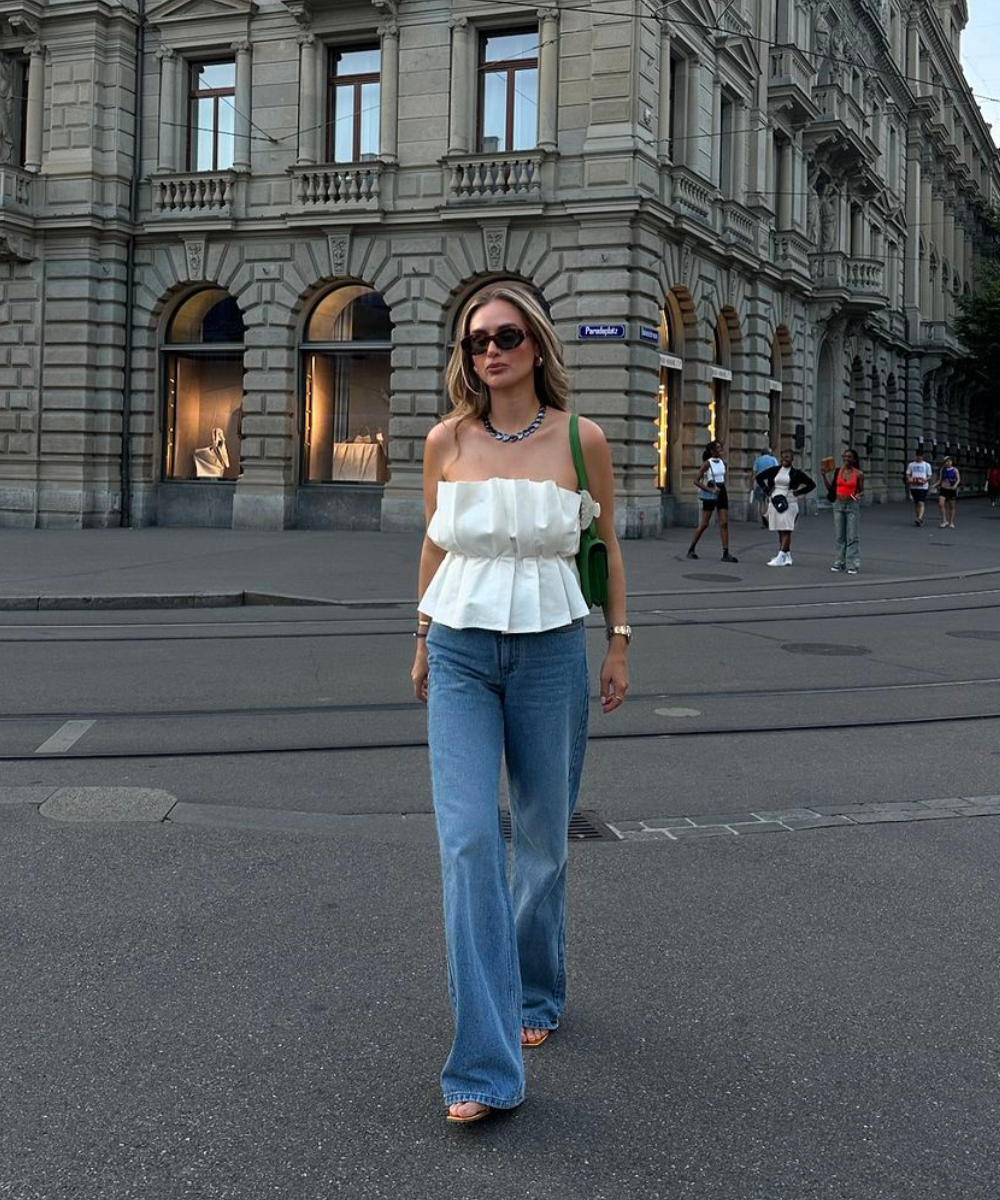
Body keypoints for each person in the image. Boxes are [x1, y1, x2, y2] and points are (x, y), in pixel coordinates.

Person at [410, 284, 630, 1126]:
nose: (489, 352)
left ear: (535, 345)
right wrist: (422, 635)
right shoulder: (445, 440)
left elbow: (602, 543)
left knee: (541, 839)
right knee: (469, 840)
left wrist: (619, 639)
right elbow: (433, 542)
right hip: (461, 650)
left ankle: (537, 990)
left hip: (549, 650)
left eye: (505, 337)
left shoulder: (582, 440)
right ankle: (484, 1068)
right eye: (475, 342)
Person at [755, 449, 816, 566]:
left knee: (786, 529)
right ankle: (787, 556)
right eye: (783, 457)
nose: (784, 459)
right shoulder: (775, 470)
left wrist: (798, 492)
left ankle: (781, 555)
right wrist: (767, 490)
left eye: (787, 457)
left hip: (790, 502)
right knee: (780, 530)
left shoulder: (796, 473)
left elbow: (811, 484)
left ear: (792, 459)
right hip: (775, 501)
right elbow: (759, 477)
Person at [686, 440, 739, 562]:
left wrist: (718, 489)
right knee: (704, 524)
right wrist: (710, 489)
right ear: (712, 451)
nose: (721, 450)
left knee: (724, 523)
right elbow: (696, 481)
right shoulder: (707, 464)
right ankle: (691, 549)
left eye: (721, 448)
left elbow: (721, 478)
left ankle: (726, 553)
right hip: (711, 492)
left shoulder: (722, 463)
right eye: (718, 448)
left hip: (722, 492)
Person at [822, 448, 864, 574]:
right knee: (840, 536)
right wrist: (824, 475)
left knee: (852, 536)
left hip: (852, 506)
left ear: (854, 459)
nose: (846, 459)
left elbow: (861, 491)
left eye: (849, 457)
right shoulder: (838, 471)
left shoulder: (858, 474)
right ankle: (839, 562)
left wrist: (856, 497)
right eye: (844, 456)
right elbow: (831, 489)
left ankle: (852, 564)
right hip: (838, 505)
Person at [750, 447, 778, 527]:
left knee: (761, 503)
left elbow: (753, 474)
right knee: (768, 502)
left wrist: (752, 485)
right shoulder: (773, 460)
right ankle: (768, 520)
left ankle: (763, 522)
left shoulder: (757, 460)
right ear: (769, 453)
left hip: (760, 483)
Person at [906, 448, 933, 526]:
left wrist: (925, 480)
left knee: (921, 502)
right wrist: (909, 479)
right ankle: (918, 518)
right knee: (916, 503)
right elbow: (908, 474)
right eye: (917, 456)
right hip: (914, 486)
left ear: (922, 456)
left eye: (920, 456)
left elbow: (929, 475)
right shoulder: (911, 464)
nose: (919, 458)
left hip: (923, 487)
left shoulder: (926, 465)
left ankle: (920, 518)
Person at [935, 457, 961, 528]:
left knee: (951, 506)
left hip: (951, 490)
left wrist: (955, 485)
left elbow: (958, 479)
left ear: (952, 462)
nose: (948, 463)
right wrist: (934, 485)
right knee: (941, 504)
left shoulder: (955, 470)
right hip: (943, 489)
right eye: (946, 462)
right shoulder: (942, 470)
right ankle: (944, 521)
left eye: (949, 461)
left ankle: (951, 522)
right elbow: (940, 480)